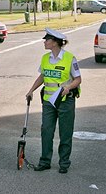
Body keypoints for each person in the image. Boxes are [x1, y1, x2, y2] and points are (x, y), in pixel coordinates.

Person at [25, 28, 81, 174]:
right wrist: (31, 90)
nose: (44, 42)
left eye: (47, 39)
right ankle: (45, 161)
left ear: (55, 42)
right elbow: (42, 76)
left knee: (65, 132)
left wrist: (69, 87)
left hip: (65, 101)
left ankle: (64, 163)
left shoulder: (69, 58)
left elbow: (78, 79)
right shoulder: (45, 58)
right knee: (46, 131)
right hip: (49, 102)